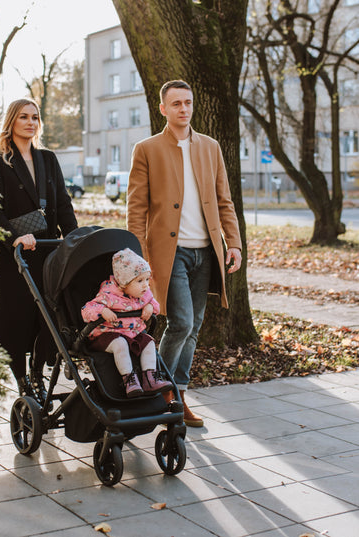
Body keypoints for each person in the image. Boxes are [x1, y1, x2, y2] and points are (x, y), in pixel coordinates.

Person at [127, 80, 242, 427]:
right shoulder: (146, 149)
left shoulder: (210, 147)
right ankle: (160, 391)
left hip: (206, 251)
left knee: (194, 328)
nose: (183, 109)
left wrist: (233, 242)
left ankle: (178, 394)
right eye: (175, 103)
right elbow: (137, 208)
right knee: (181, 322)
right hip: (169, 253)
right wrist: (139, 257)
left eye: (188, 102)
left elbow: (224, 200)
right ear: (163, 109)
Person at [0, 98, 78, 404]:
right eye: (23, 117)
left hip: (47, 251)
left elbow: (62, 204)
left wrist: (76, 240)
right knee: (16, 319)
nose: (30, 122)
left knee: (47, 316)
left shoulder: (48, 159)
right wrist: (16, 237)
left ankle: (38, 372)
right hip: (14, 256)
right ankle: (22, 380)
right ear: (11, 121)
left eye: (35, 117)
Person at [81, 248, 173, 398]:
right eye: (140, 281)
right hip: (107, 335)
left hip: (132, 334)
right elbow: (87, 309)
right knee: (120, 344)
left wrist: (150, 306)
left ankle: (150, 378)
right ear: (124, 283)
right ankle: (129, 380)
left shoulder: (143, 293)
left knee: (149, 342)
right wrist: (103, 311)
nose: (145, 285)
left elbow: (155, 304)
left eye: (147, 280)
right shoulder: (109, 294)